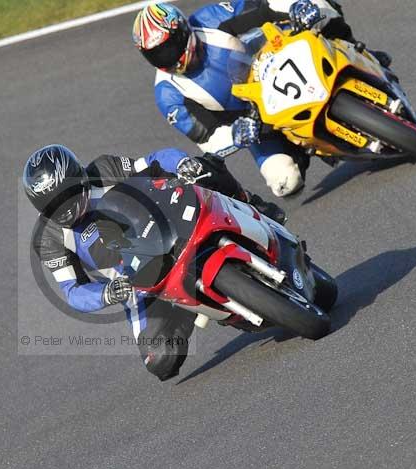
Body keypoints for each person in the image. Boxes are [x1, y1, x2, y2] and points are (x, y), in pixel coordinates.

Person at [23, 144, 281, 381]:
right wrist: (107, 294)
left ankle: (249, 204)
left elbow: (156, 161)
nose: (64, 208)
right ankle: (198, 306)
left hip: (170, 231)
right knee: (160, 361)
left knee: (204, 166)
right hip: (137, 284)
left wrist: (181, 164)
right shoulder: (48, 238)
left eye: (66, 195)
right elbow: (73, 292)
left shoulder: (104, 169)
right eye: (53, 205)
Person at [132, 0, 391, 197]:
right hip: (257, 121)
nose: (168, 59)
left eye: (168, 48)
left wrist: (296, 7)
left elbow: (263, 6)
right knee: (284, 183)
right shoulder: (168, 94)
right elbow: (207, 138)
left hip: (277, 67)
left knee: (317, 6)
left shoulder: (209, 20)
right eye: (156, 55)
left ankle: (361, 53)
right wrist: (237, 135)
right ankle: (305, 145)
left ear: (181, 31)